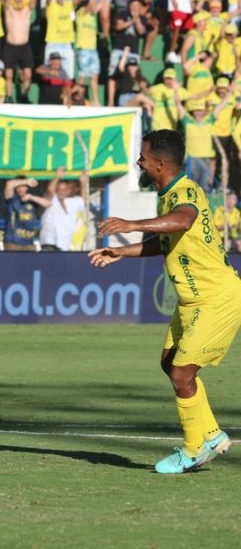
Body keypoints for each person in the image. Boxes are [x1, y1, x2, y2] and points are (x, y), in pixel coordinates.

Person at [89, 129, 239, 473]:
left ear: (158, 164)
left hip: (216, 298)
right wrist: (121, 251)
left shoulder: (184, 193)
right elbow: (167, 240)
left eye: (142, 158)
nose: (138, 163)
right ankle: (212, 434)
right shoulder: (167, 195)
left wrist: (130, 222)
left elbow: (183, 220)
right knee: (169, 363)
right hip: (192, 301)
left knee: (181, 373)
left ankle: (193, 449)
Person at [40, 166, 88, 251]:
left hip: (65, 245)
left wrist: (83, 183)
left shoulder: (71, 202)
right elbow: (50, 190)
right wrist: (57, 176)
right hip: (50, 243)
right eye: (59, 189)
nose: (62, 191)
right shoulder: (52, 200)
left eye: (64, 189)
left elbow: (83, 201)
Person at [3, 176, 51, 251]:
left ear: (27, 188)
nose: (19, 188)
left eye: (22, 186)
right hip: (13, 244)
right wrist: (26, 181)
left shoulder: (32, 201)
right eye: (18, 186)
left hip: (29, 244)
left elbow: (47, 203)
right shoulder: (11, 199)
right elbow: (9, 184)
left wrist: (31, 197)